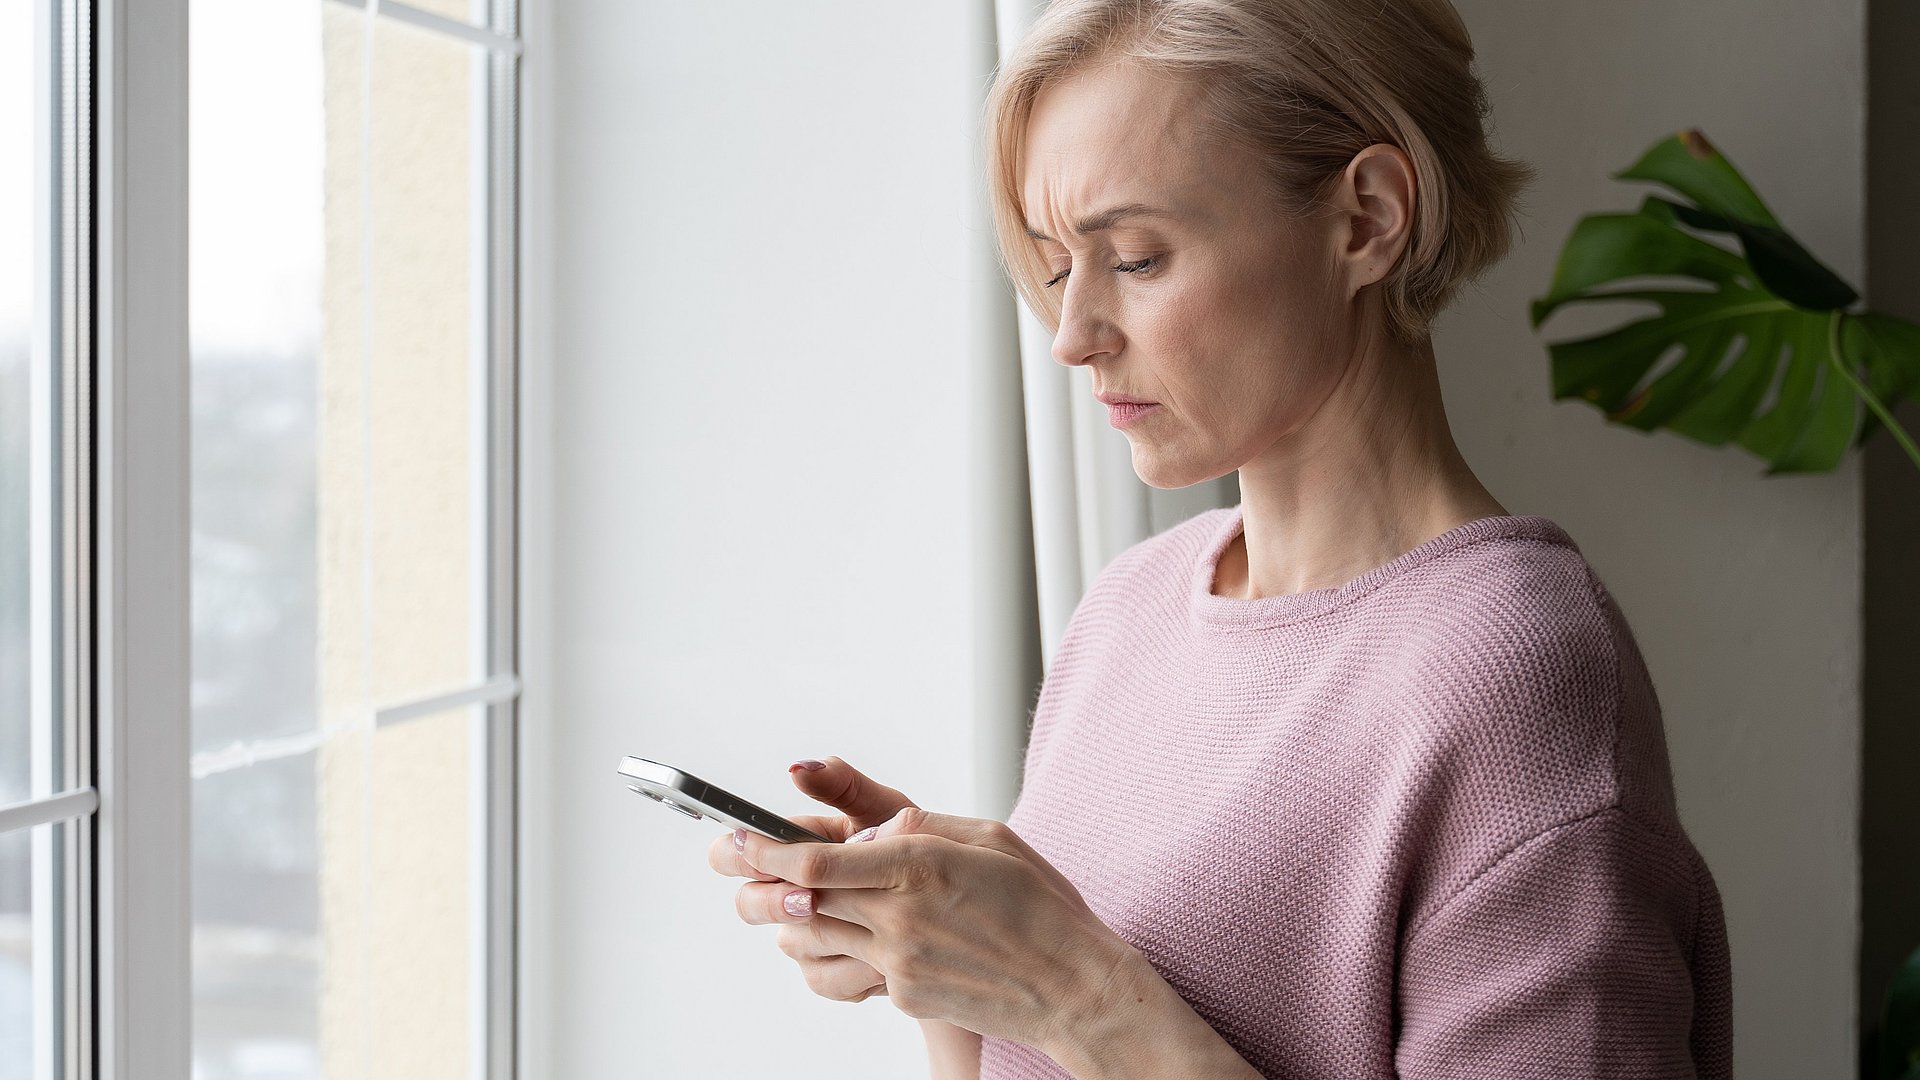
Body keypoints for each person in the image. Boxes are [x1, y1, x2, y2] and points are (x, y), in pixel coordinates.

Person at [707, 0, 1735, 1076]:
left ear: (1368, 218)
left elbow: (1091, 1017)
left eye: (1138, 258)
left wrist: (1074, 992)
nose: (1073, 334)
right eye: (1059, 267)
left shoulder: (1516, 681)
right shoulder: (1131, 610)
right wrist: (945, 953)